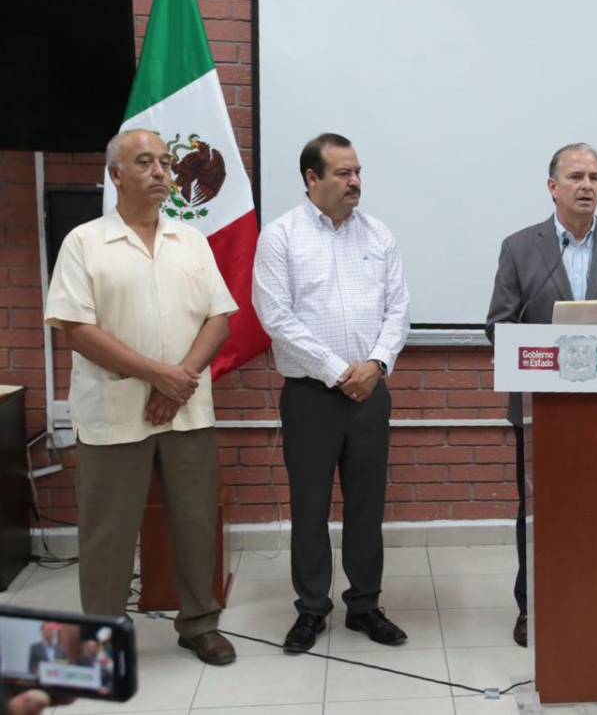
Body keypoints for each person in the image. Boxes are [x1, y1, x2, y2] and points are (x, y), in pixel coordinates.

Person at [44, 129, 238, 665]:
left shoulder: (191, 242)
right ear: (115, 175)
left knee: (197, 521)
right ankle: (101, 636)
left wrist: (178, 383)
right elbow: (77, 329)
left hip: (187, 410)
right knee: (108, 531)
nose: (160, 172)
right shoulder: (85, 242)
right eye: (145, 162)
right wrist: (160, 375)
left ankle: (199, 623)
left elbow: (219, 319)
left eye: (164, 164)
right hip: (112, 413)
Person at [484, 142, 597, 646]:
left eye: (595, 177)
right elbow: (498, 327)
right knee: (542, 511)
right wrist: (550, 348)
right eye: (576, 176)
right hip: (544, 408)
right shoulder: (521, 248)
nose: (587, 185)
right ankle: (533, 607)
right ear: (553, 187)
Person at [253, 133, 411, 653]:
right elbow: (276, 316)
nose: (355, 182)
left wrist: (377, 364)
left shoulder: (379, 235)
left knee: (368, 505)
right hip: (311, 395)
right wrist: (340, 370)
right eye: (343, 173)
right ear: (311, 178)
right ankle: (311, 610)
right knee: (310, 506)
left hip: (371, 393)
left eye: (358, 171)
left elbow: (398, 310)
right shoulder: (281, 236)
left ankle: (364, 605)